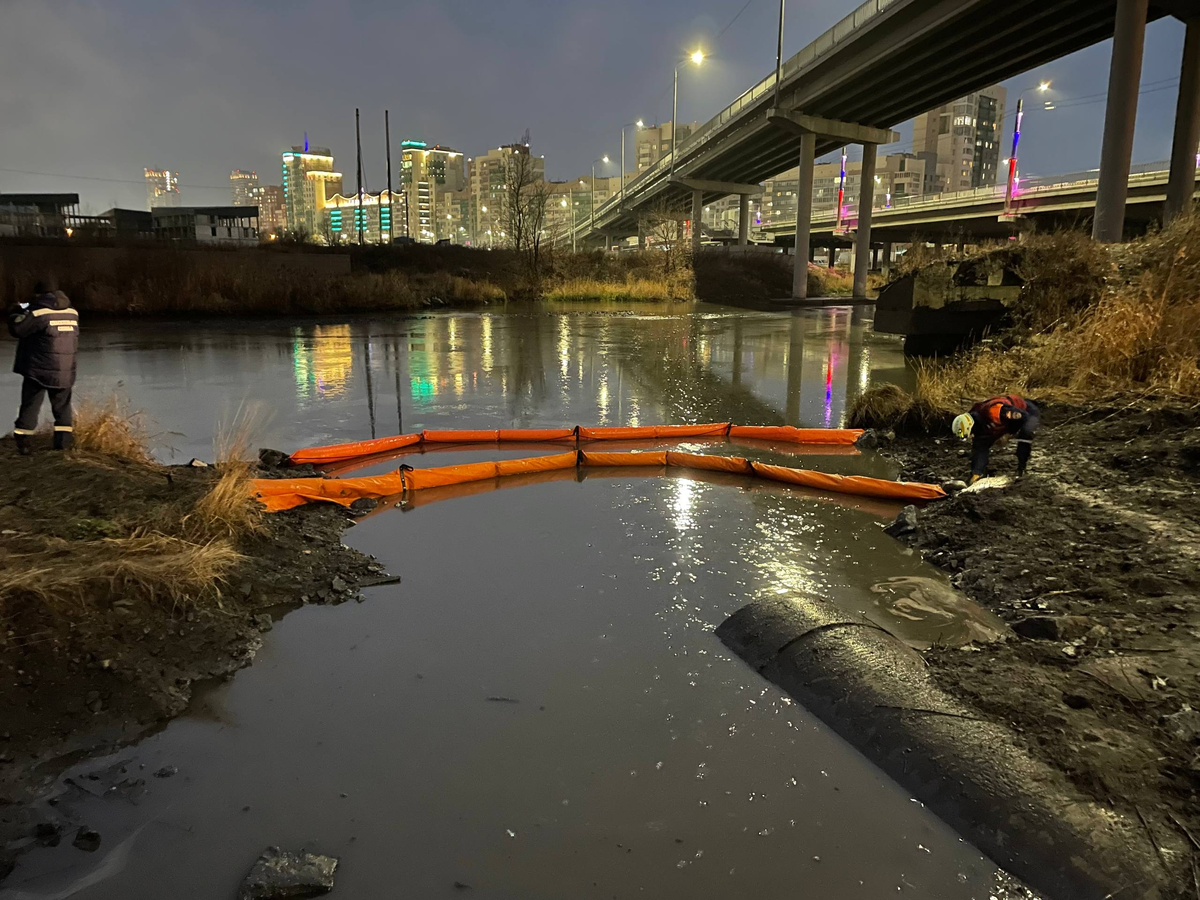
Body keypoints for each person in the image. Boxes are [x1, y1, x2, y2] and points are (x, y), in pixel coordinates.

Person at [7, 282, 79, 455]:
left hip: (39, 368)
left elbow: (18, 329)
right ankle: (63, 445)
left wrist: (15, 312)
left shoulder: (39, 313)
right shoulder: (72, 312)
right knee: (62, 407)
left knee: (31, 404)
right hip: (65, 368)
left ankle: (24, 443)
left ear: (38, 295)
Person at [952, 394, 1040, 484]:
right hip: (999, 422)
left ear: (972, 427)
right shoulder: (977, 425)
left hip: (1027, 410)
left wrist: (1009, 433)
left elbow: (1023, 416)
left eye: (970, 434)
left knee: (1026, 432)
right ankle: (979, 473)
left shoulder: (996, 412)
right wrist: (976, 473)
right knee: (981, 444)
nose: (971, 436)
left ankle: (1022, 469)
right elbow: (979, 450)